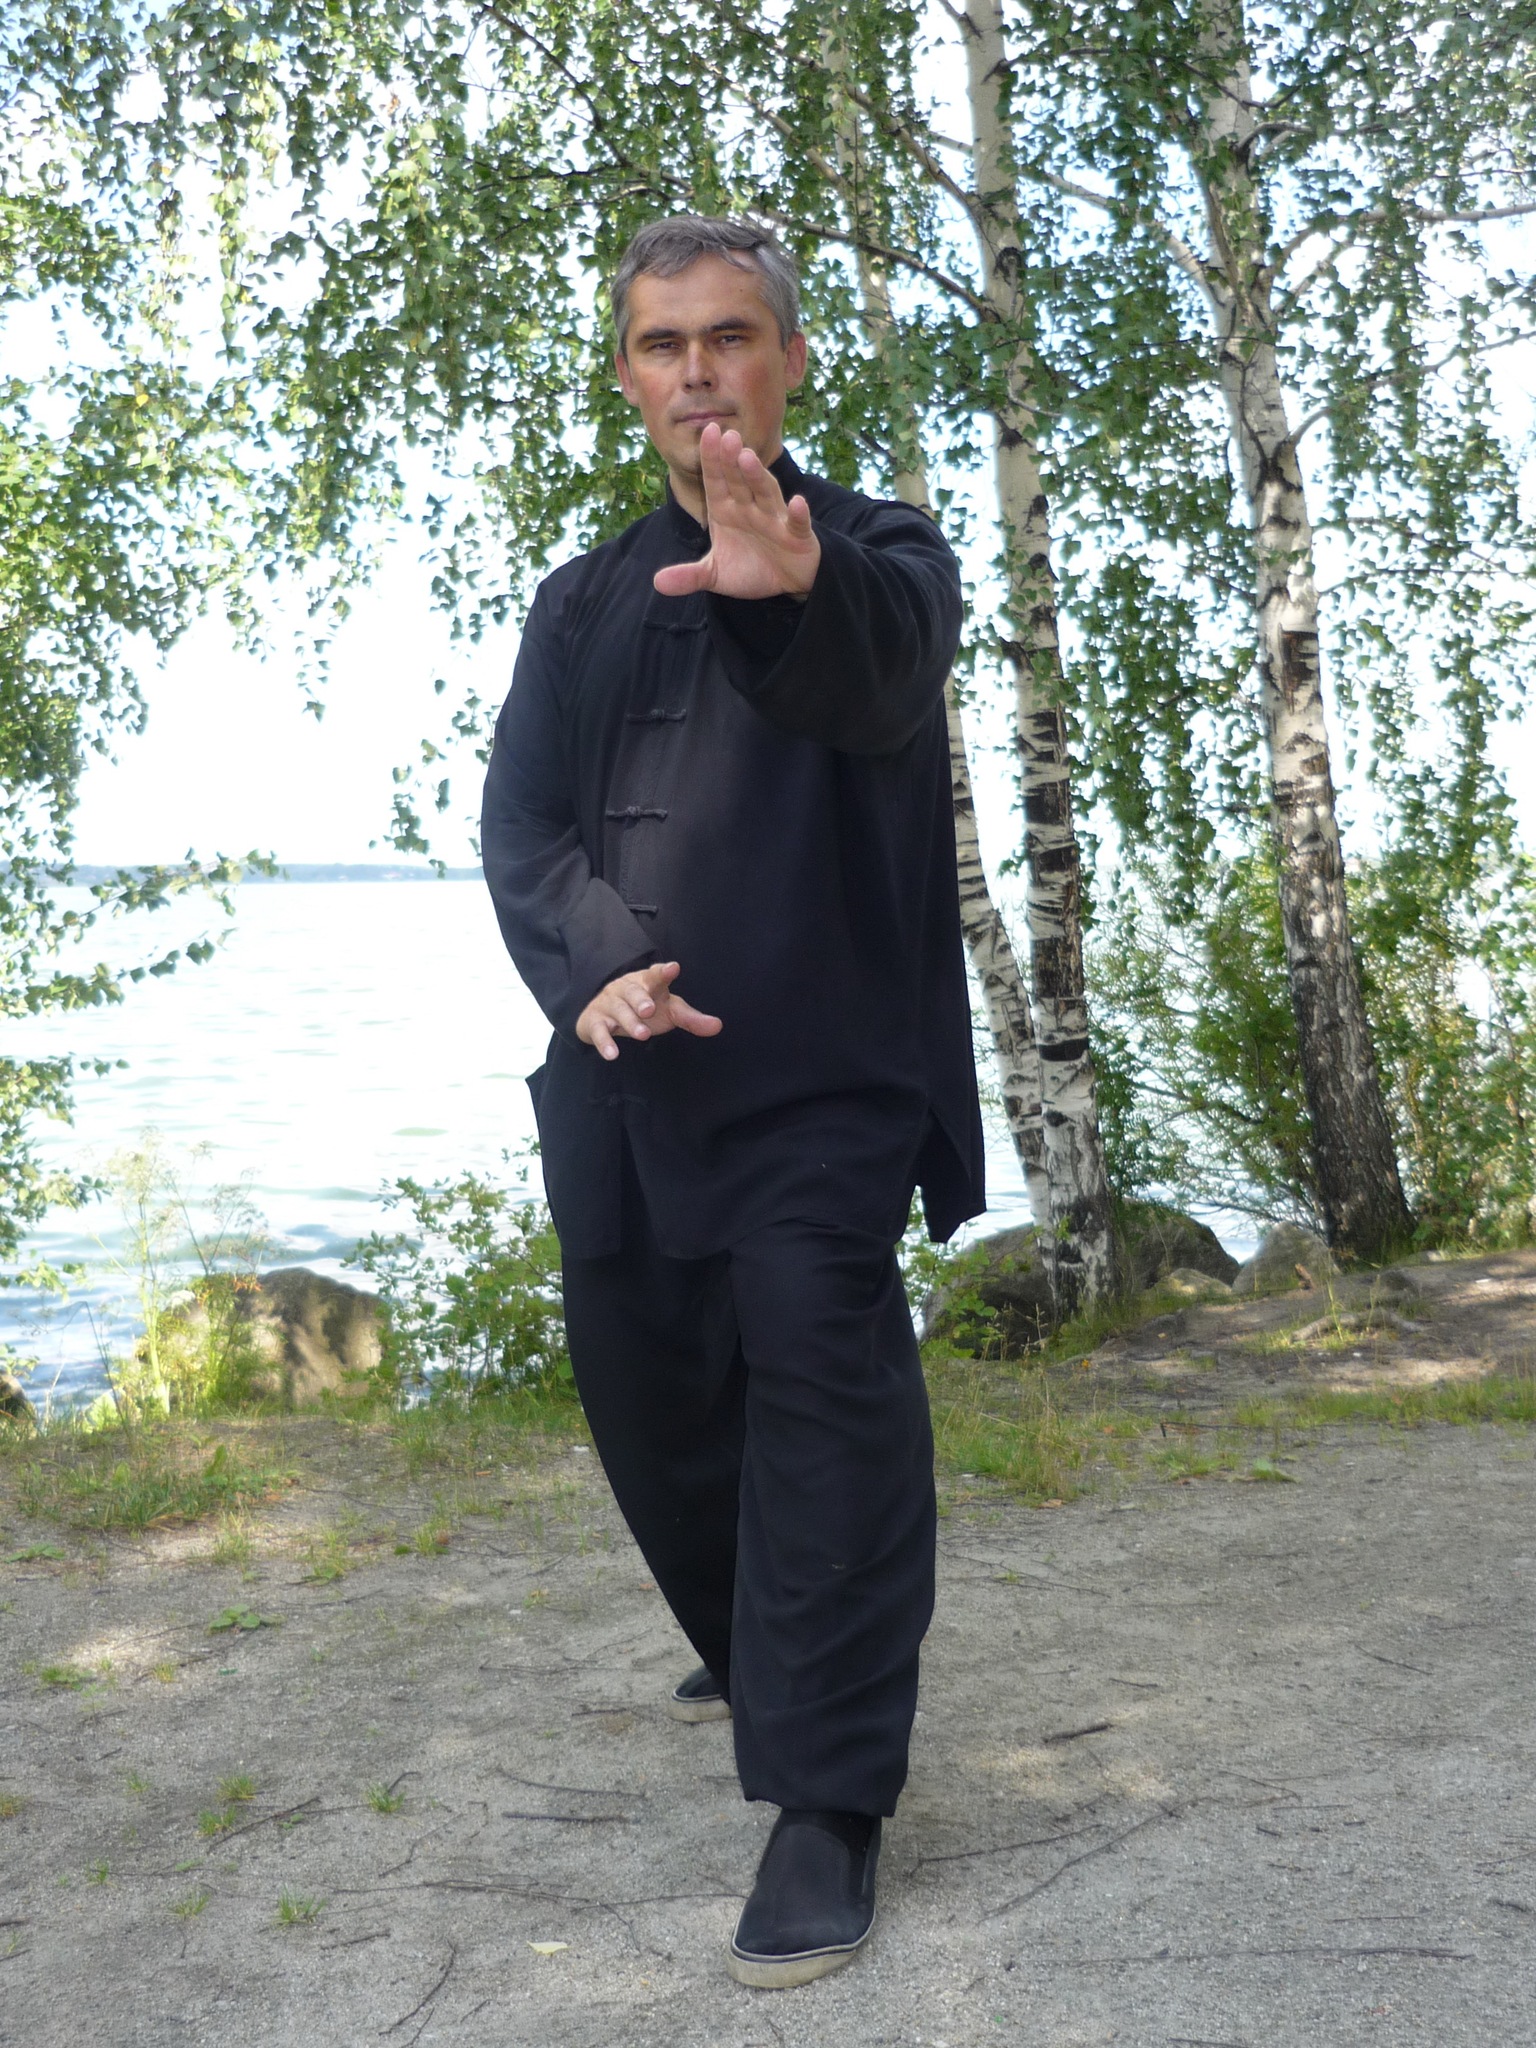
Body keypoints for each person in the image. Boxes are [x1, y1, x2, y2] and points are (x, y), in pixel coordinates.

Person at [481, 215, 984, 1988]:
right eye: (662, 343)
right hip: (627, 1073)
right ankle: (756, 1641)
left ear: (788, 359)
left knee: (823, 1399)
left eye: (731, 337)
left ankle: (827, 1799)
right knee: (649, 1395)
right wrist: (596, 964)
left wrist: (793, 587)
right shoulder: (581, 601)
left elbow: (881, 673)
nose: (698, 371)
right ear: (629, 375)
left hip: (823, 1077)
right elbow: (525, 827)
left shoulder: (883, 554)